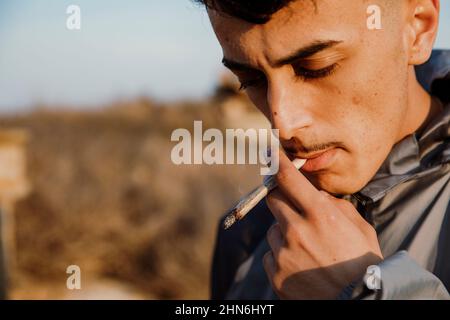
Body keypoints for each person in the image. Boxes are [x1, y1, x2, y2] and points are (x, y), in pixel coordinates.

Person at [195, 0, 450, 299]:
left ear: (418, 27)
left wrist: (358, 290)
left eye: (317, 68)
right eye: (251, 81)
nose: (284, 124)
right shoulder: (247, 237)